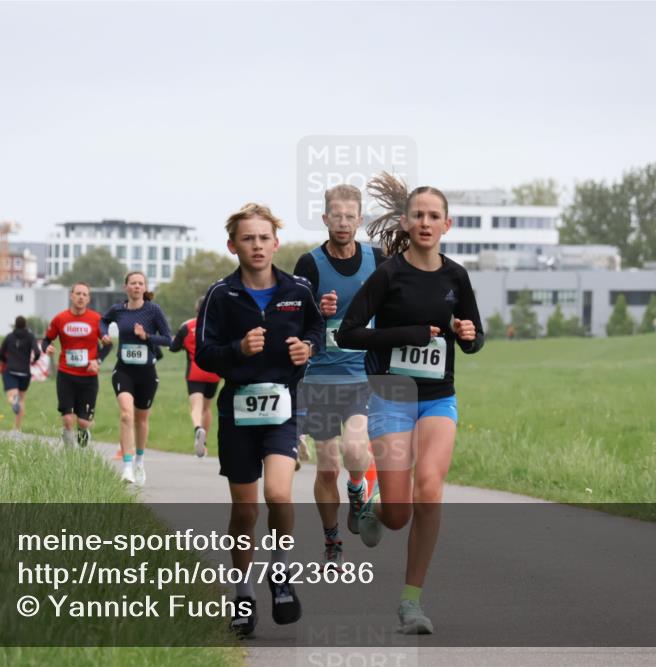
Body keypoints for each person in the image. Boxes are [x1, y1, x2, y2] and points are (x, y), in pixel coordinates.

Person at [336, 172, 484, 635]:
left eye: (433, 216)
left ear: (447, 225)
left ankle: (411, 601)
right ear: (406, 221)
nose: (425, 222)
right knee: (398, 513)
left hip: (438, 398)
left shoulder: (456, 276)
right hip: (392, 394)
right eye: (418, 215)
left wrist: (468, 334)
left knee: (431, 488)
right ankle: (372, 508)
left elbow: (476, 337)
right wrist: (409, 335)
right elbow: (348, 333)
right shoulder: (389, 273)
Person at [196, 202, 324, 637]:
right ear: (233, 245)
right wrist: (238, 350)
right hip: (237, 412)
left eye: (263, 237)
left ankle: (281, 574)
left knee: (279, 494)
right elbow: (204, 354)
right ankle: (244, 592)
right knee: (245, 511)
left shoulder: (298, 290)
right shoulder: (221, 295)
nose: (256, 245)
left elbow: (317, 331)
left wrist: (307, 348)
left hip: (282, 410)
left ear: (276, 243)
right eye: (247, 238)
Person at [292, 183, 384, 569]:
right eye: (336, 215)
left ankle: (358, 488)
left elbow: (393, 307)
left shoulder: (377, 260)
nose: (343, 223)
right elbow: (293, 319)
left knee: (355, 451)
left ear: (359, 220)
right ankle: (332, 540)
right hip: (320, 378)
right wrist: (317, 308)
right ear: (325, 218)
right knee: (327, 465)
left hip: (362, 375)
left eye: (350, 216)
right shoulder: (309, 264)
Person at [101, 272, 173, 485]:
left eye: (140, 283)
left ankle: (140, 461)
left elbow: (168, 340)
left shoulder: (153, 310)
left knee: (141, 419)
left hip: (146, 372)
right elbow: (103, 321)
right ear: (126, 287)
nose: (136, 286)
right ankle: (127, 467)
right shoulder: (118, 310)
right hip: (124, 370)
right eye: (133, 283)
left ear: (144, 287)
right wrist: (104, 333)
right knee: (125, 415)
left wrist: (146, 336)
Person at [42, 282, 111, 448]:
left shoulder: (96, 319)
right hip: (66, 374)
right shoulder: (60, 319)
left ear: (88, 299)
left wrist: (97, 360)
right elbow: (46, 340)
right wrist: (47, 347)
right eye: (78, 293)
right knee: (67, 418)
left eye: (84, 295)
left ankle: (83, 435)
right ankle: (69, 454)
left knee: (83, 422)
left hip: (88, 377)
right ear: (71, 296)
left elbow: (108, 345)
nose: (81, 297)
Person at [169, 295, 221, 457]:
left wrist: (185, 346)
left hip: (195, 372)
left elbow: (173, 347)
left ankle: (198, 428)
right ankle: (203, 444)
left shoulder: (187, 326)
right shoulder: (219, 326)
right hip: (214, 372)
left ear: (196, 309)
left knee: (196, 407)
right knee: (207, 407)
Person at [0, 316, 42, 432]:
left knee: (12, 396)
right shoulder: (30, 336)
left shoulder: (9, 337)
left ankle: (13, 401)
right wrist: (34, 360)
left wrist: (6, 361)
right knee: (22, 400)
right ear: (25, 325)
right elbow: (37, 352)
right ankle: (16, 428)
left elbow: (0, 353)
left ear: (15, 324)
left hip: (10, 370)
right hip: (24, 372)